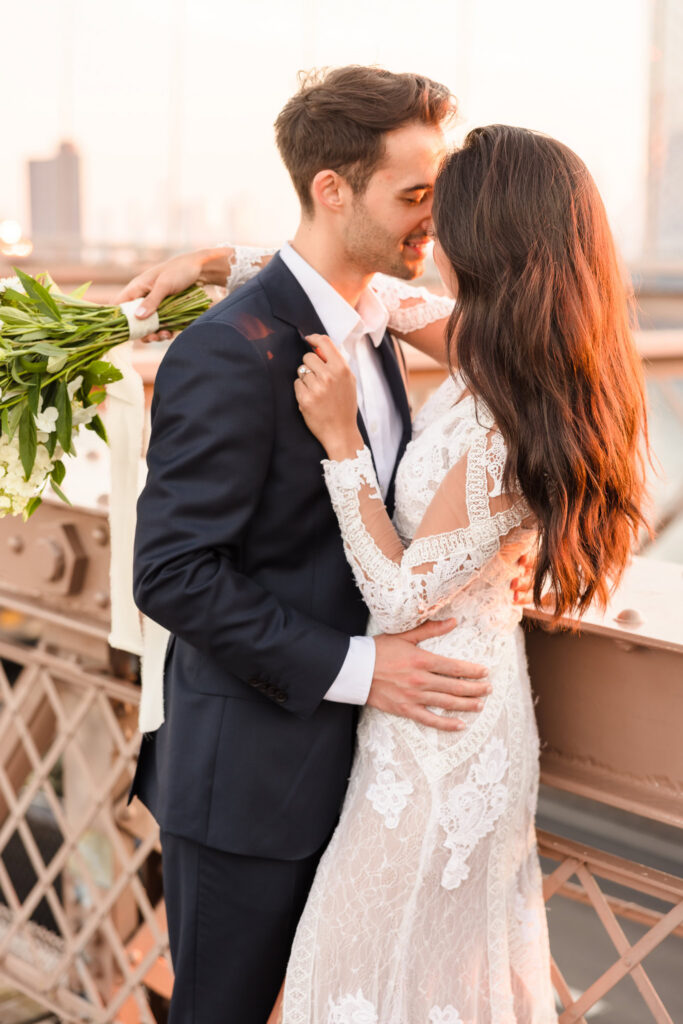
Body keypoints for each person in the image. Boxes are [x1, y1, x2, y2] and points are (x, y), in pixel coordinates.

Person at [130, 120, 648, 1021]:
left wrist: (341, 448)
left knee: (367, 978)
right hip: (424, 712)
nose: (426, 236)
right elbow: (366, 296)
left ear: (489, 239)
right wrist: (221, 261)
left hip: (437, 717)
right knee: (402, 974)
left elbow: (401, 592)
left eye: (440, 215)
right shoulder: (513, 352)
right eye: (418, 206)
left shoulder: (502, 391)